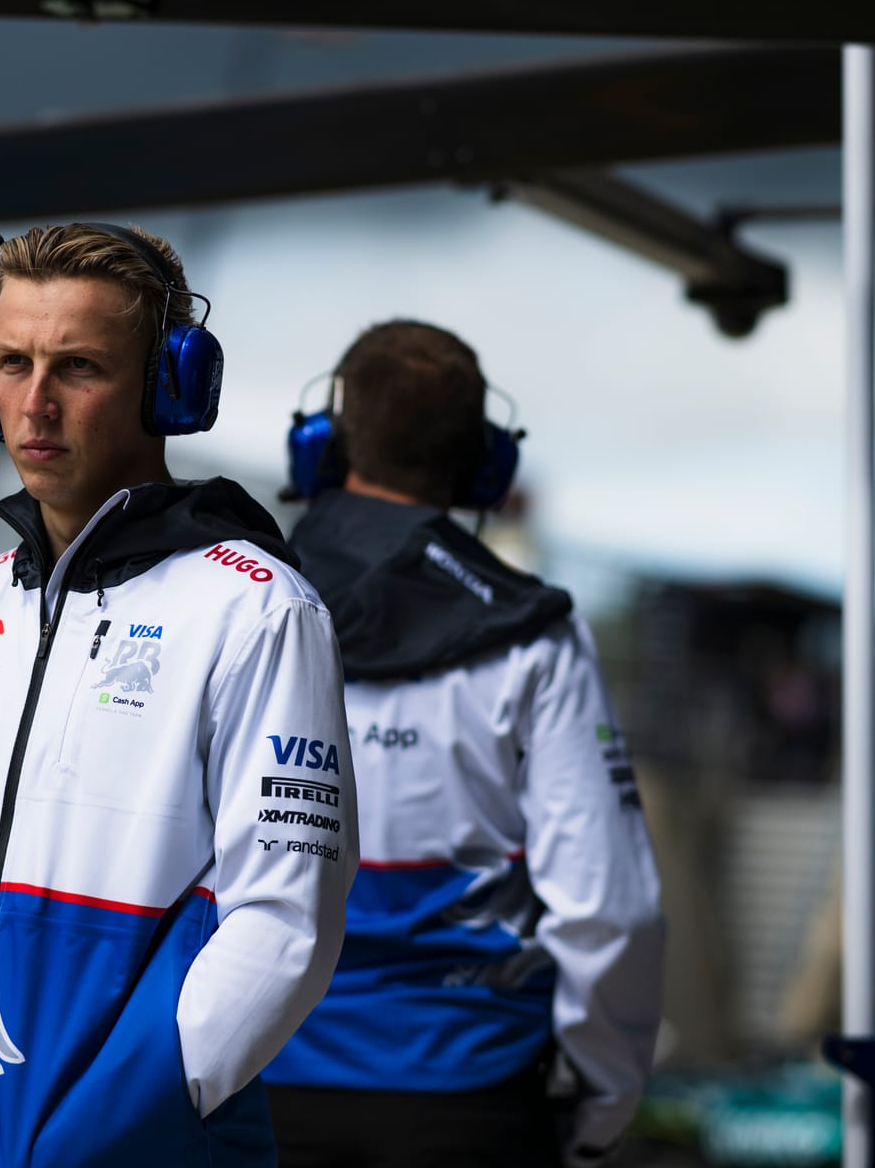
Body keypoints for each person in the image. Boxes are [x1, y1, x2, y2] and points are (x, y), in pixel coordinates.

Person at [0, 223, 357, 1167]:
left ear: (167, 386)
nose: (36, 403)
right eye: (11, 363)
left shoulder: (257, 609)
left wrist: (128, 1117)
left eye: (80, 366)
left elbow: (287, 924)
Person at [262, 321, 665, 1168]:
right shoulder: (535, 637)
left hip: (253, 1092)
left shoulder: (242, 607)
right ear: (487, 463)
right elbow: (607, 909)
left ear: (324, 445)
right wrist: (603, 1099)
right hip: (472, 1104)